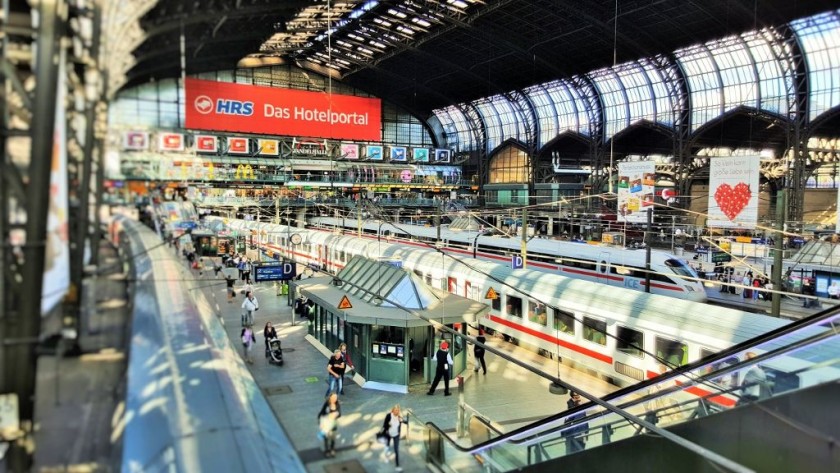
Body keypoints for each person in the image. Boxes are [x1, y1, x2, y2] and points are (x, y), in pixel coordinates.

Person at [380, 404, 408, 471]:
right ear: (392, 410)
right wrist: (388, 425)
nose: (397, 412)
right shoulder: (389, 416)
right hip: (389, 434)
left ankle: (397, 465)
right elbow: (384, 425)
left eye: (398, 410)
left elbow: (406, 422)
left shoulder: (399, 417)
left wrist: (403, 421)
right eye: (395, 410)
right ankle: (386, 457)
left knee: (396, 450)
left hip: (396, 435)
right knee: (387, 446)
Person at [317, 393, 341, 458]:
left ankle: (332, 449)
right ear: (330, 397)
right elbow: (322, 412)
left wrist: (336, 414)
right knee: (326, 438)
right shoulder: (327, 404)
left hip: (333, 425)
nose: (334, 399)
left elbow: (339, 414)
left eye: (335, 397)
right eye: (333, 397)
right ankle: (327, 451)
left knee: (333, 438)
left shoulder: (337, 404)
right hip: (326, 424)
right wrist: (320, 421)